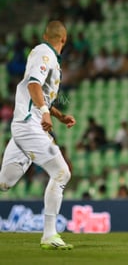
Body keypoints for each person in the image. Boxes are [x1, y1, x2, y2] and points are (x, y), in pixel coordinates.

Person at [0, 21, 75, 250]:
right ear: (64, 39)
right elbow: (33, 85)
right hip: (29, 126)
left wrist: (58, 115)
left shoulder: (46, 56)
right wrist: (44, 113)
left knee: (4, 183)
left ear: (46, 34)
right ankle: (50, 235)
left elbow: (39, 93)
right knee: (61, 173)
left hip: (24, 127)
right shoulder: (45, 54)